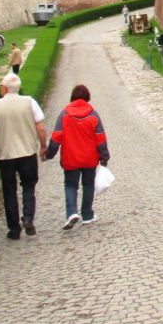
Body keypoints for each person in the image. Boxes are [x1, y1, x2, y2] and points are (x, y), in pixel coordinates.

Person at [0, 73, 47, 240]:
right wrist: (43, 146)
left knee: (9, 191)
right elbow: (40, 127)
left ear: (3, 88)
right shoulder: (29, 102)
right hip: (27, 153)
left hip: (6, 155)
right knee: (29, 186)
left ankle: (14, 229)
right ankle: (28, 218)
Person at [45, 84, 110, 230]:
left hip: (71, 157)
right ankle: (87, 214)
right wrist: (104, 157)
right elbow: (100, 138)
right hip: (89, 158)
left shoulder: (64, 114)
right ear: (87, 97)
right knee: (88, 185)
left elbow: (56, 137)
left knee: (70, 185)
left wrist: (49, 154)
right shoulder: (93, 114)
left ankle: (72, 212)